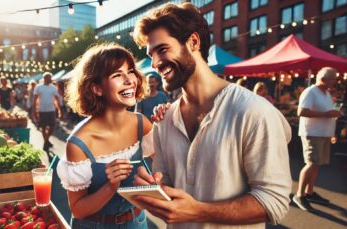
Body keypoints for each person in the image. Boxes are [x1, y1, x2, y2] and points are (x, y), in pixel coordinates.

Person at [132, 3, 292, 228]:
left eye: (162, 49)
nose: (155, 63)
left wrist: (197, 211)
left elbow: (274, 201)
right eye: (151, 55)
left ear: (193, 42)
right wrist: (152, 188)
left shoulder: (253, 110)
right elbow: (167, 181)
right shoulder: (165, 119)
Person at [56, 43, 154, 228]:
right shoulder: (79, 143)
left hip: (137, 222)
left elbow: (172, 166)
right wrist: (110, 186)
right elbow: (78, 210)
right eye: (117, 75)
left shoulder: (142, 123)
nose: (129, 80)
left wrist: (168, 123)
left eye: (130, 71)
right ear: (97, 89)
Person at [293, 67, 340, 211]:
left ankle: (310, 192)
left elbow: (327, 112)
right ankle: (299, 195)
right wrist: (326, 114)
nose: (335, 81)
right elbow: (301, 112)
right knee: (311, 163)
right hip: (313, 133)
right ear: (324, 79)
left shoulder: (326, 93)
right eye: (333, 78)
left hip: (324, 134)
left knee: (317, 164)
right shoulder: (310, 92)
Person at [33, 72, 62, 151]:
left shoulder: (53, 88)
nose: (50, 79)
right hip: (42, 110)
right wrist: (34, 110)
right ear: (45, 78)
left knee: (52, 127)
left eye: (50, 77)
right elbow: (35, 100)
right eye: (49, 78)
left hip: (51, 110)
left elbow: (57, 99)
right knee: (43, 127)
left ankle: (46, 141)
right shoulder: (38, 87)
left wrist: (59, 110)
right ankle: (46, 142)